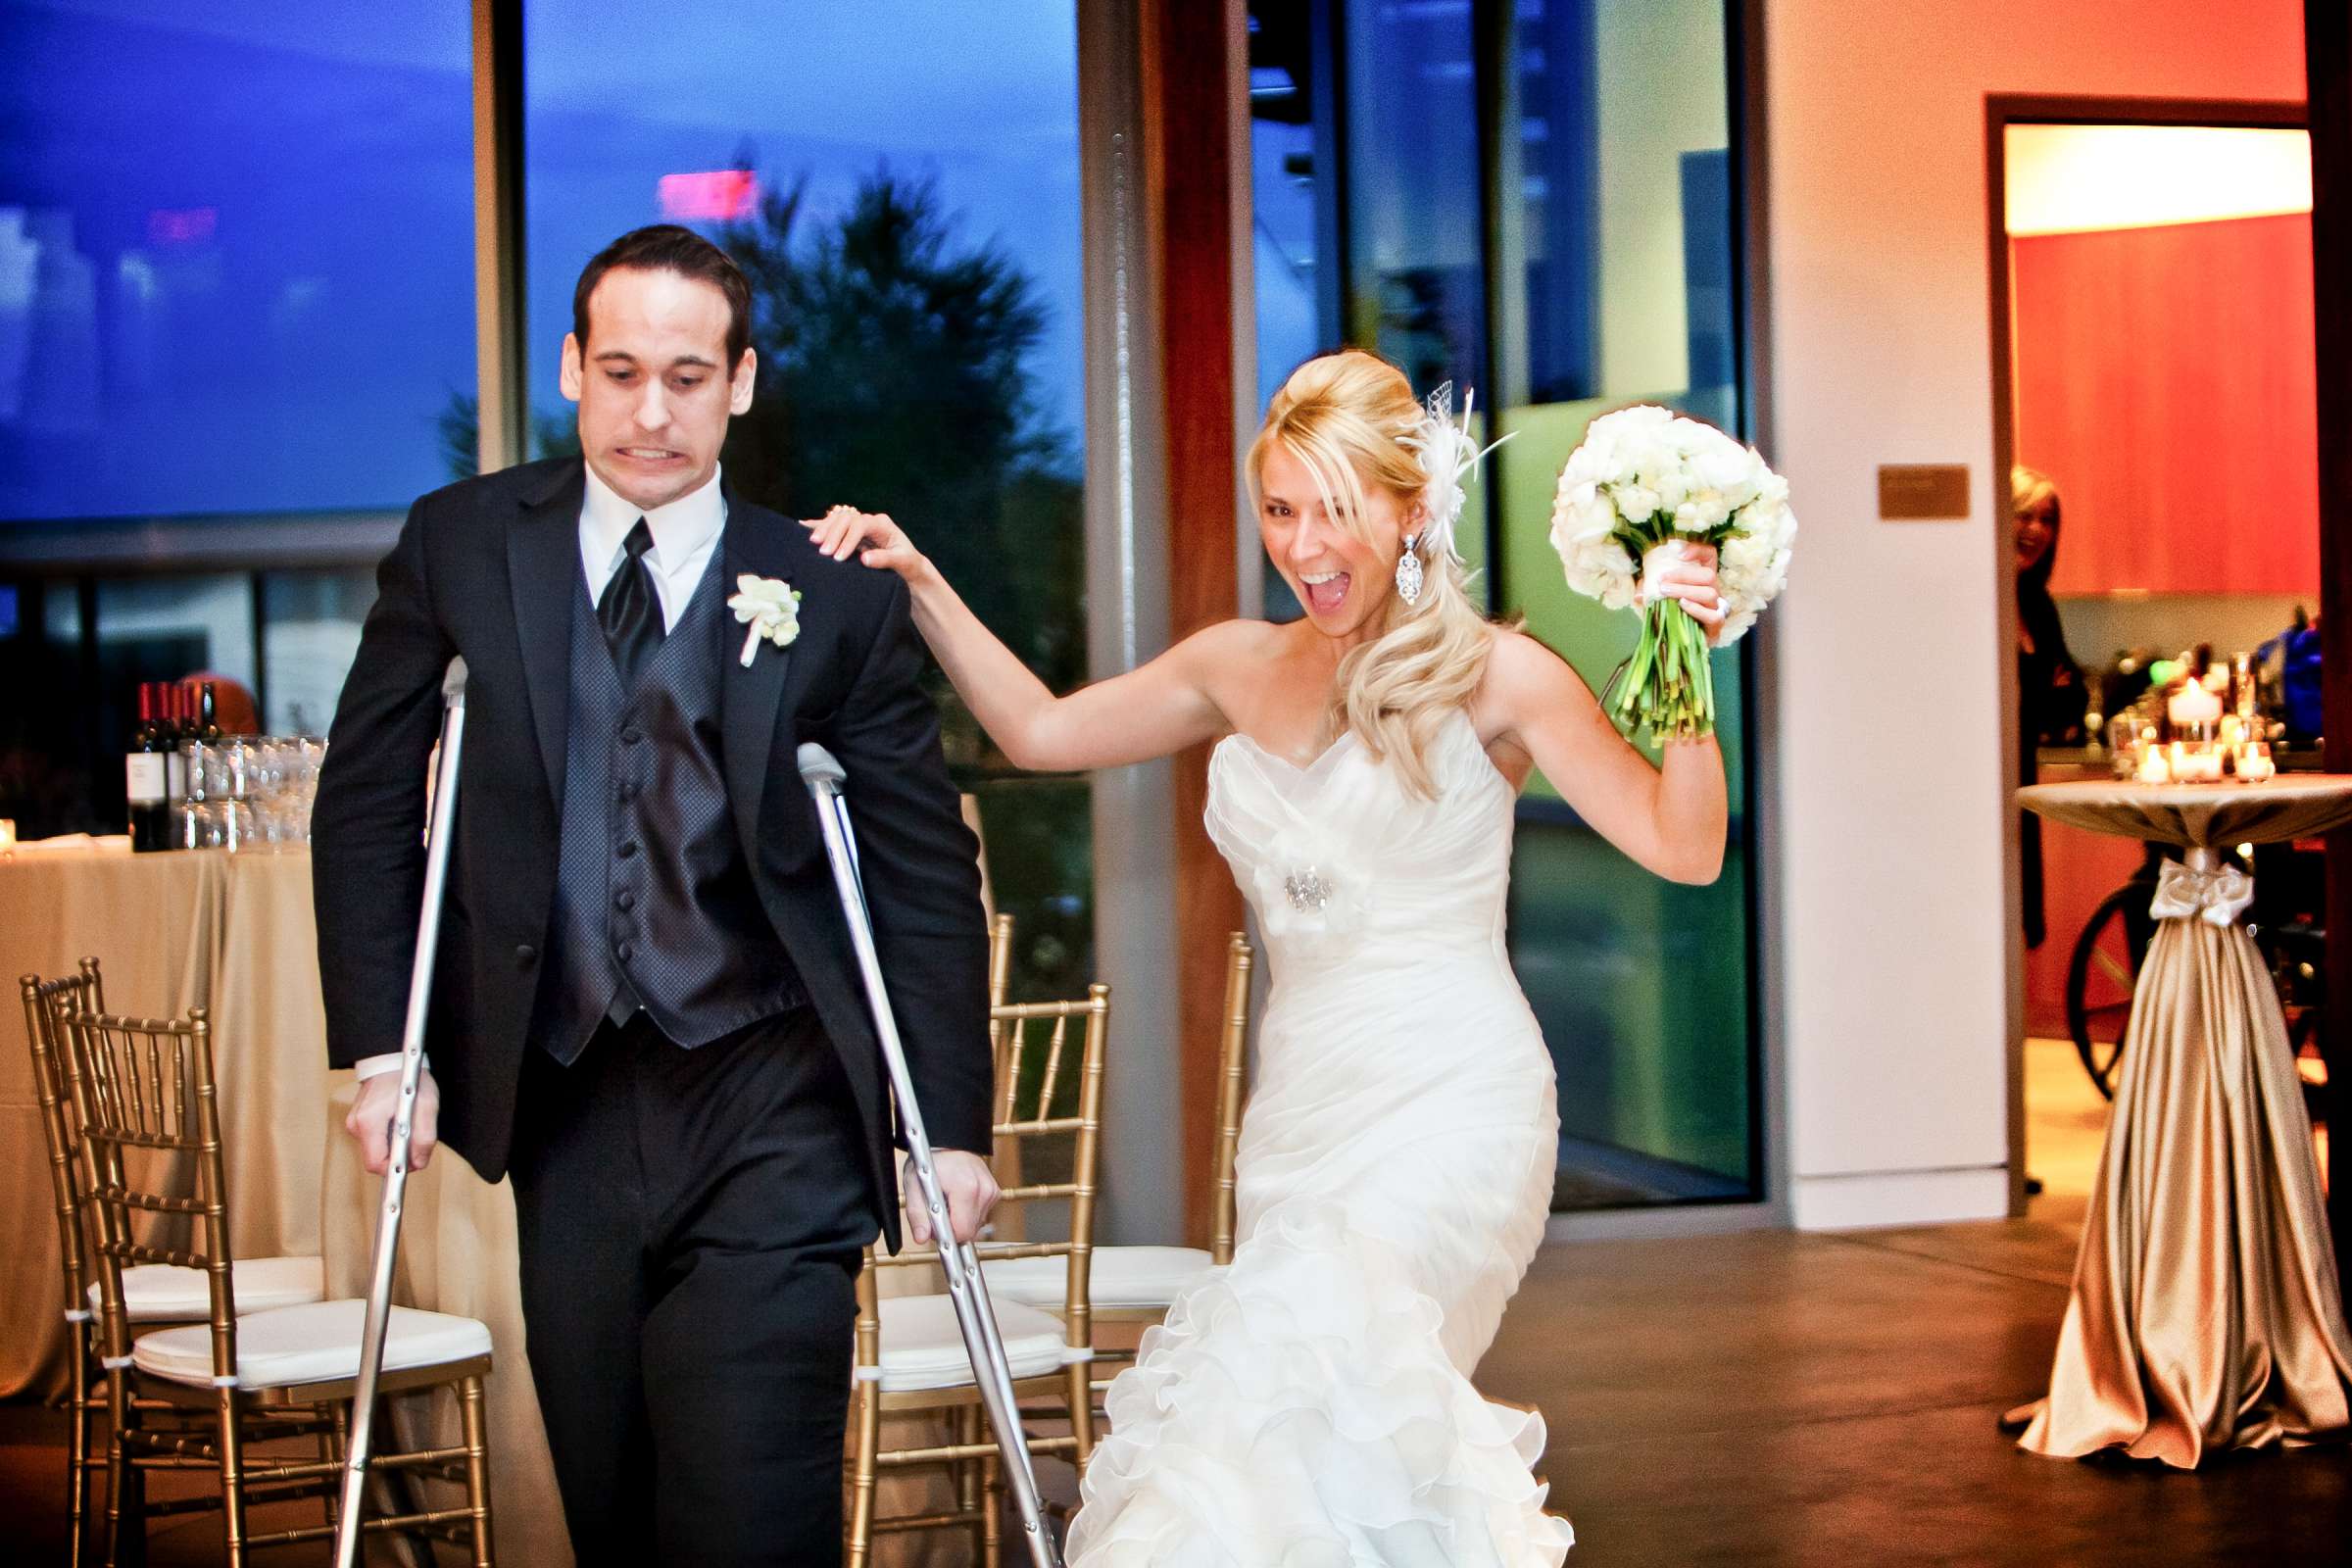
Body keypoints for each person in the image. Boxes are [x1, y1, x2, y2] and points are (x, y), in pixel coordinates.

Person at [808, 347, 1729, 1562]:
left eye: (1337, 509)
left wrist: (1685, 656)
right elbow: (1037, 731)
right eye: (1282, 509)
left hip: (1458, 1104)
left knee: (1323, 1376)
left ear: (1409, 509)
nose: (1304, 546)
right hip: (1300, 1120)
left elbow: (1686, 846)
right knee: (1292, 1450)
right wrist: (920, 577)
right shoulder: (1237, 663)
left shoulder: (1498, 672)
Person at [311, 224, 1000, 1565]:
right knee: (611, 1505)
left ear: (741, 382)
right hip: (563, 1097)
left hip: (774, 1094)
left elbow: (922, 870)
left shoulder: (827, 591)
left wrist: (950, 1128)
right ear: (571, 367)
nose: (649, 410)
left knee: (751, 1510)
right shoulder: (460, 545)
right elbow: (370, 802)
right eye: (619, 370)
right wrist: (387, 1048)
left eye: (688, 376)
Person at [2013, 465, 2083, 949]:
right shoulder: (1981, 598)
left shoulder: (2037, 605)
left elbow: (2071, 700)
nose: (2037, 530)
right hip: (1988, 778)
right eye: (2024, 515)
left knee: (2018, 915)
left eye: (2047, 519)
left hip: (2023, 776)